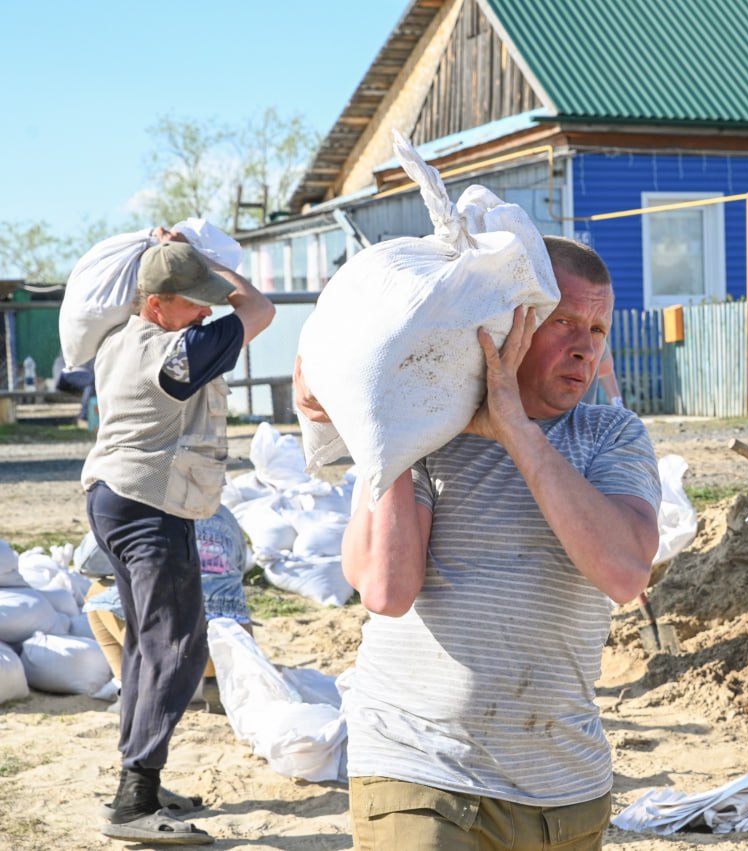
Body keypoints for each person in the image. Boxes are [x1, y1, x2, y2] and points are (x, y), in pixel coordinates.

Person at [295, 236, 660, 851]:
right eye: (564, 321)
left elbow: (624, 572)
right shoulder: (428, 432)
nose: (585, 347)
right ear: (507, 324)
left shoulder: (610, 436)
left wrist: (515, 428)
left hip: (564, 792)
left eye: (598, 329)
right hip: (422, 777)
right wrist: (385, 419)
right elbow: (384, 589)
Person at [80, 229, 274, 845]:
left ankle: (137, 782)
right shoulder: (178, 354)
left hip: (113, 497)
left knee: (146, 641)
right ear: (156, 302)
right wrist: (214, 262)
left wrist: (187, 263)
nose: (206, 308)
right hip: (149, 506)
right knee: (177, 646)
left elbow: (214, 304)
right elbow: (260, 309)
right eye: (193, 299)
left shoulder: (121, 338)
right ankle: (135, 802)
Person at [83, 505, 254, 715]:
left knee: (97, 593)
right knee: (224, 590)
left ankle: (129, 690)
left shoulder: (136, 506)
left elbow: (88, 562)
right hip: (229, 646)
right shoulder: (221, 512)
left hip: (172, 646)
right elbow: (240, 563)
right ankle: (215, 682)